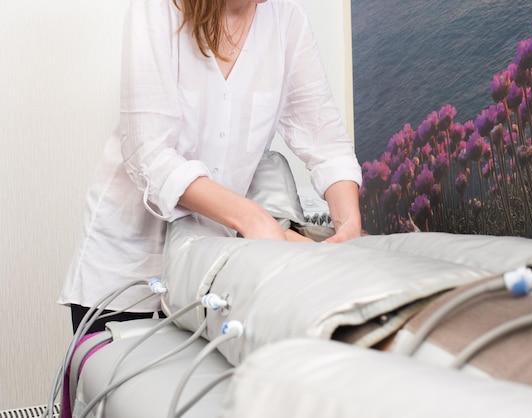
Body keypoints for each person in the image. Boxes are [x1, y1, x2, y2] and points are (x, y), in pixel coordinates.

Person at [59, 0, 363, 333]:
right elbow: (149, 154)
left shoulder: (287, 20)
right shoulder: (158, 9)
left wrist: (347, 227)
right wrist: (254, 219)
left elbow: (326, 141)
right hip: (129, 272)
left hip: (214, 268)